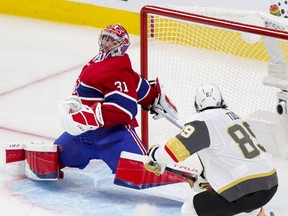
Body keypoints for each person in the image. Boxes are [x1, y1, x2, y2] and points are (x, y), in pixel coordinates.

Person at [4, 24, 178, 180]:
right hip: (82, 137)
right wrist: (153, 95)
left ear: (121, 45)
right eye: (105, 38)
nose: (105, 43)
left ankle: (187, 179)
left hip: (113, 136)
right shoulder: (101, 61)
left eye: (112, 41)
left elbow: (125, 109)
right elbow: (135, 83)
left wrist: (89, 116)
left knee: (144, 172)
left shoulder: (118, 68)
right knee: (56, 157)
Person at [144, 83, 278, 216]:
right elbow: (230, 155)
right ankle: (258, 213)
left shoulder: (202, 121)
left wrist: (154, 153)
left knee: (190, 209)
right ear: (221, 101)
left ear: (197, 105)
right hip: (270, 184)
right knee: (247, 204)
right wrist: (205, 177)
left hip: (245, 190)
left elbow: (172, 153)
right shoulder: (235, 117)